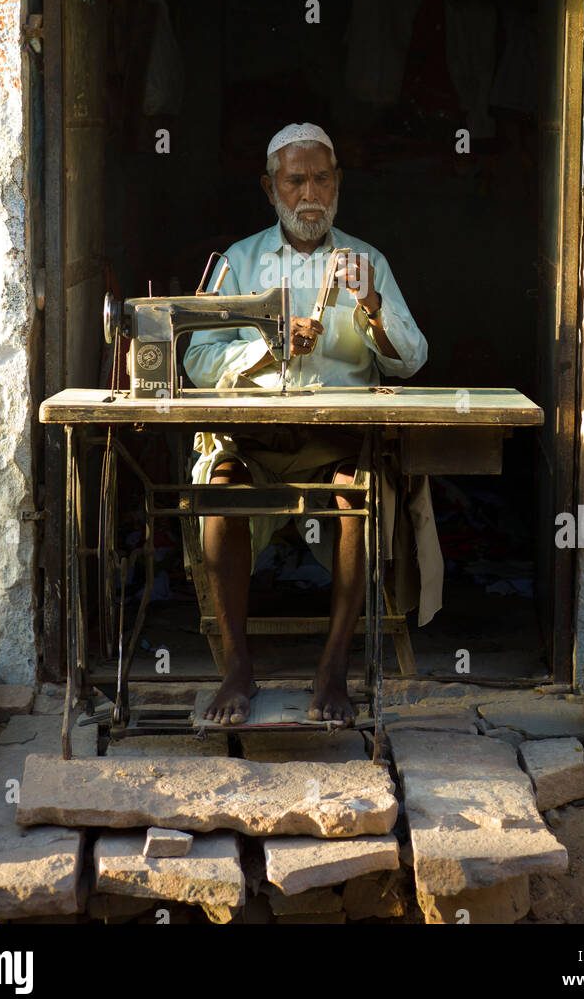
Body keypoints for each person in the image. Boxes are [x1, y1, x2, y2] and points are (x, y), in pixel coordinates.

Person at [183, 122, 428, 726]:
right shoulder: (236, 263)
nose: (310, 194)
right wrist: (266, 350)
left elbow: (414, 359)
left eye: (322, 178)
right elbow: (194, 360)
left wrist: (372, 309)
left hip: (337, 442)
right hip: (256, 441)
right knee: (220, 496)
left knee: (356, 499)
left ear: (338, 182)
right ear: (271, 188)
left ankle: (334, 669)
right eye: (296, 181)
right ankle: (237, 669)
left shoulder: (365, 263)